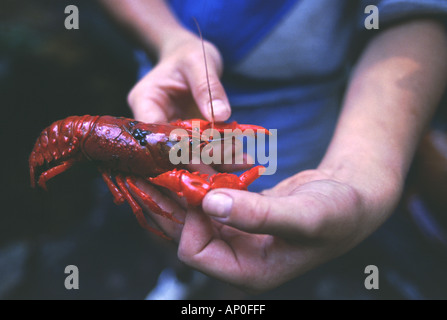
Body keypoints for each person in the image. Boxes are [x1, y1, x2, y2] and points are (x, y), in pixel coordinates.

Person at [98, 0, 447, 293]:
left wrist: (359, 171)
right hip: (164, 91)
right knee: (166, 218)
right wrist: (168, 38)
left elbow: (419, 9)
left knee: (263, 243)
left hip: (301, 132)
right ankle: (180, 276)